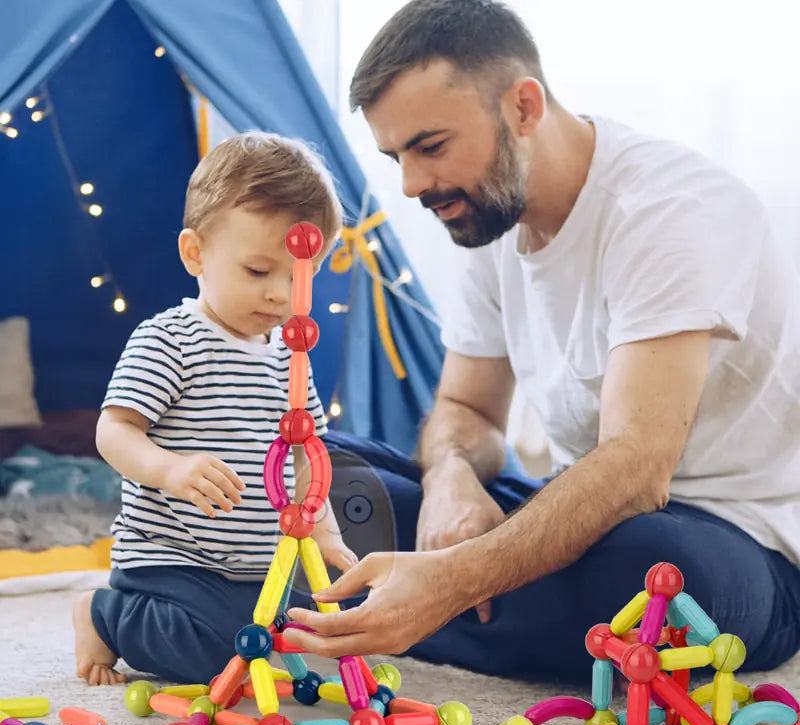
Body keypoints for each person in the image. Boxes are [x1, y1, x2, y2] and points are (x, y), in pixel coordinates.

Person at [284, 0, 800, 682]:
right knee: (298, 464)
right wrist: (451, 478)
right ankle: (400, 606)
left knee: (651, 574)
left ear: (524, 108)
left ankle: (369, 612)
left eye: (430, 146)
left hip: (725, 537)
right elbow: (466, 412)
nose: (412, 185)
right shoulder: (488, 219)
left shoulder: (669, 211)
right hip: (572, 505)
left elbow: (638, 470)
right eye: (396, 157)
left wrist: (453, 578)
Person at [72, 132, 357, 685]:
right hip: (171, 559)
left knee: (308, 628)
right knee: (214, 657)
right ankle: (102, 614)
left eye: (300, 275)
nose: (280, 294)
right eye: (258, 271)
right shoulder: (170, 339)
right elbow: (114, 430)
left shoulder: (288, 358)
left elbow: (308, 460)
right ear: (195, 253)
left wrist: (322, 528)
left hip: (257, 566)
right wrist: (169, 468)